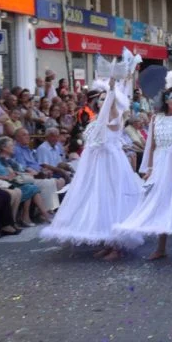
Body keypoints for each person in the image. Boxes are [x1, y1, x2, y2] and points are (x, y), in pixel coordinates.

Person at [41, 72, 144, 260]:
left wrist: (112, 91)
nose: (101, 102)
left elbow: (111, 124)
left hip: (109, 164)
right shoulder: (95, 118)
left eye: (105, 99)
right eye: (100, 99)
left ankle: (116, 246)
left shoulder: (115, 117)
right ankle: (107, 242)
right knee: (99, 201)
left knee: (112, 201)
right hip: (94, 165)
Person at [113, 75, 172, 262]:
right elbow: (151, 146)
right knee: (161, 202)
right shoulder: (156, 119)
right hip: (161, 164)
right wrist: (149, 168)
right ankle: (161, 248)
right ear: (166, 100)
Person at [0, 136, 49, 227]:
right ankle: (24, 218)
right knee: (30, 188)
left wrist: (12, 174)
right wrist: (6, 177)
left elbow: (9, 169)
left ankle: (29, 216)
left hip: (11, 180)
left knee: (30, 187)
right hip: (3, 183)